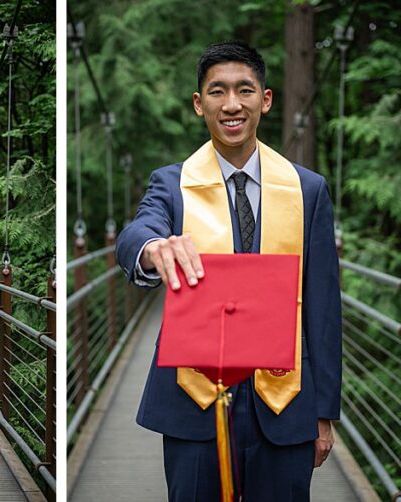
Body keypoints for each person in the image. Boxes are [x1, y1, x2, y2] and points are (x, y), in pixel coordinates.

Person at [116, 41, 342, 500]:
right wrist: (154, 247)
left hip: (285, 400)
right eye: (217, 92)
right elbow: (137, 232)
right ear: (200, 104)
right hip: (193, 398)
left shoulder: (308, 190)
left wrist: (323, 413)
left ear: (266, 98)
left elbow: (322, 309)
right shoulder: (172, 183)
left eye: (245, 90)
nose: (232, 104)